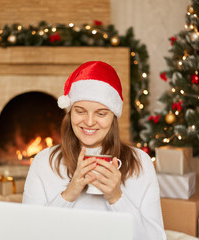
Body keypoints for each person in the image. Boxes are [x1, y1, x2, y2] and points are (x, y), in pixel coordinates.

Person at [23, 61, 166, 239]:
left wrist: (117, 198)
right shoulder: (44, 161)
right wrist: (68, 194)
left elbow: (155, 237)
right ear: (70, 113)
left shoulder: (140, 162)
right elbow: (27, 233)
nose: (89, 122)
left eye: (101, 113)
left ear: (113, 117)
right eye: (80, 111)